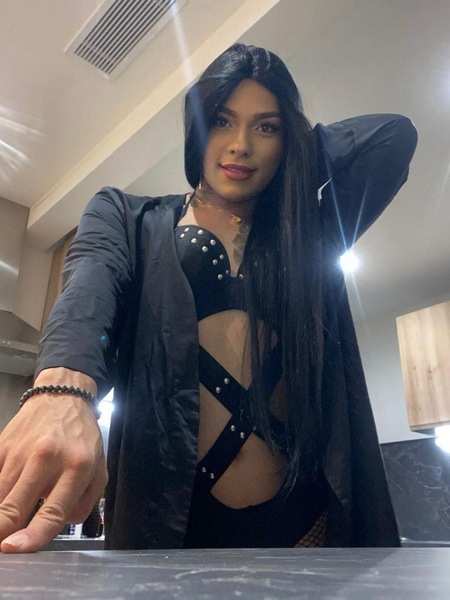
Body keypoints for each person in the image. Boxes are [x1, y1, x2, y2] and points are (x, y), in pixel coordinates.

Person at [0, 44, 417, 553]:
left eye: (266, 127)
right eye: (222, 120)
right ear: (197, 129)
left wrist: (297, 152)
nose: (240, 145)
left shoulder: (309, 233)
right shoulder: (127, 218)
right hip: (171, 531)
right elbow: (88, 290)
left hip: (305, 530)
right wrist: (62, 389)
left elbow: (394, 136)